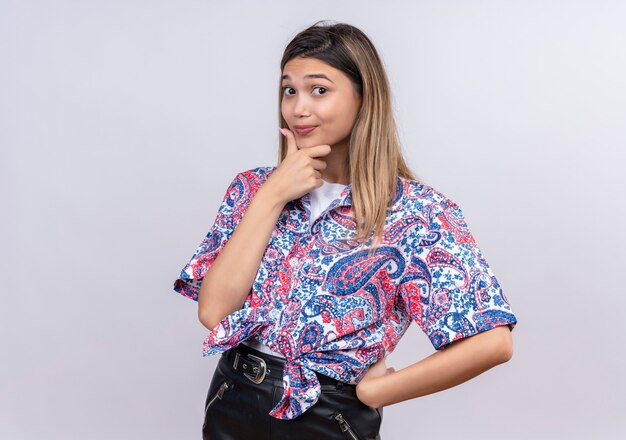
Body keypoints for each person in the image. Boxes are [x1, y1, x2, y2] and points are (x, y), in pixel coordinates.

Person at [173, 20, 518, 440]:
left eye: (319, 90)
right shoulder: (252, 189)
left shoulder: (419, 213)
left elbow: (492, 342)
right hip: (233, 398)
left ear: (363, 97)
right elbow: (214, 314)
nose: (299, 107)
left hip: (327, 417)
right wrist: (272, 196)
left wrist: (380, 390)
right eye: (289, 89)